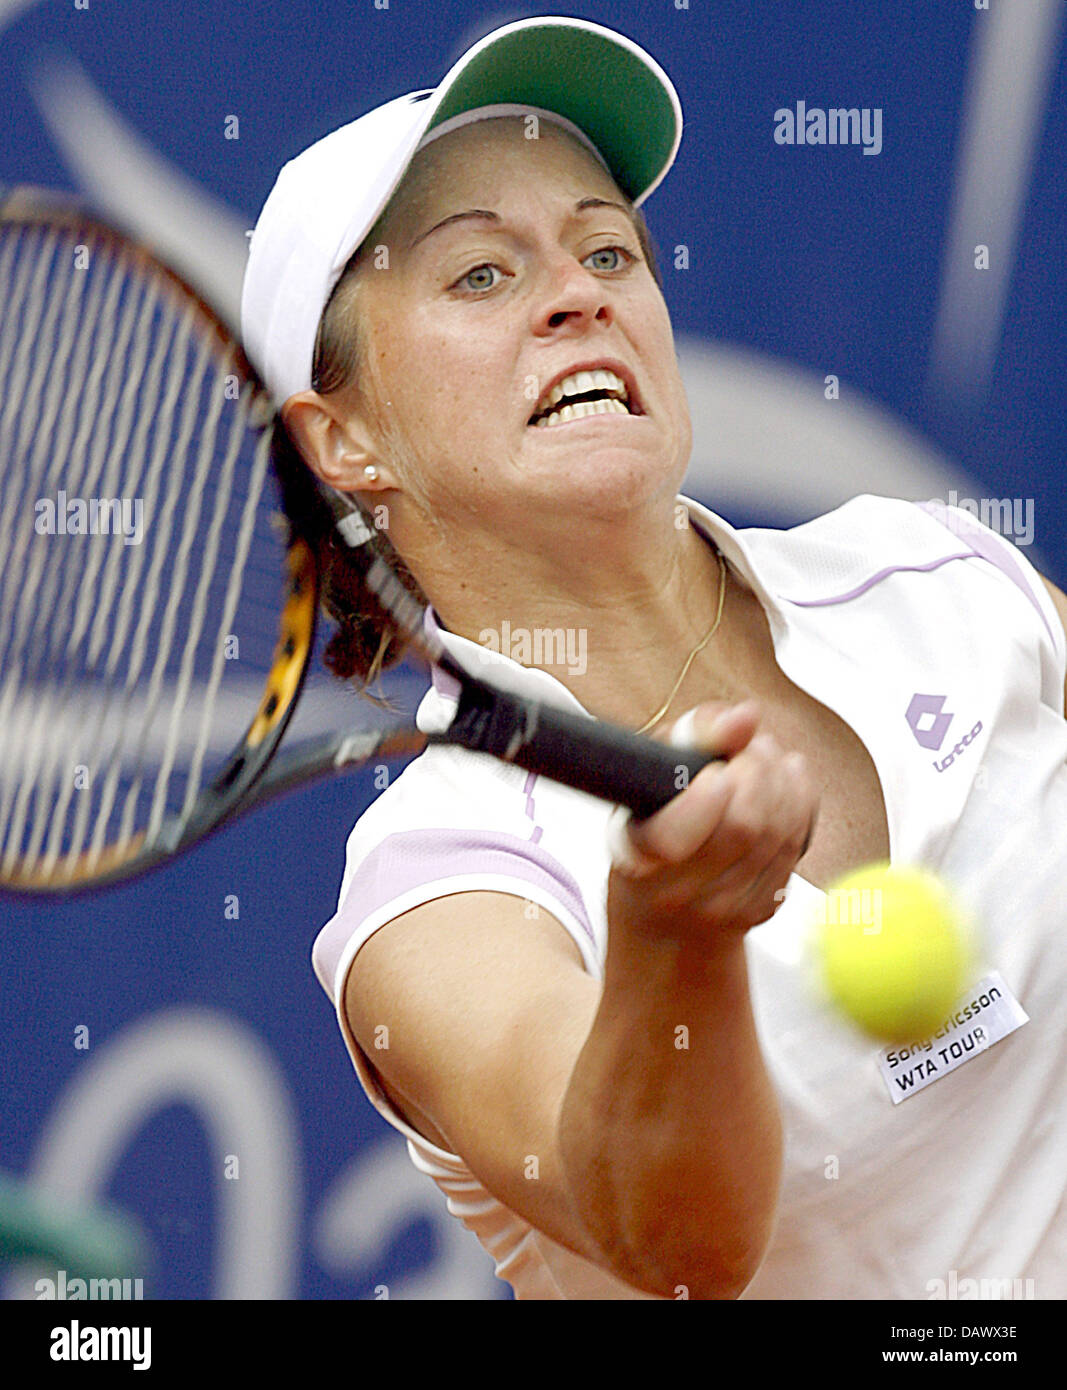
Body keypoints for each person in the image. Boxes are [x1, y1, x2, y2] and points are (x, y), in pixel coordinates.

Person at [242, 16, 1067, 1299]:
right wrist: (672, 935)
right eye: (478, 275)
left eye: (606, 247)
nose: (578, 292)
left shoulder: (939, 575)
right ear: (344, 441)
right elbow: (675, 1243)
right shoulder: (437, 887)